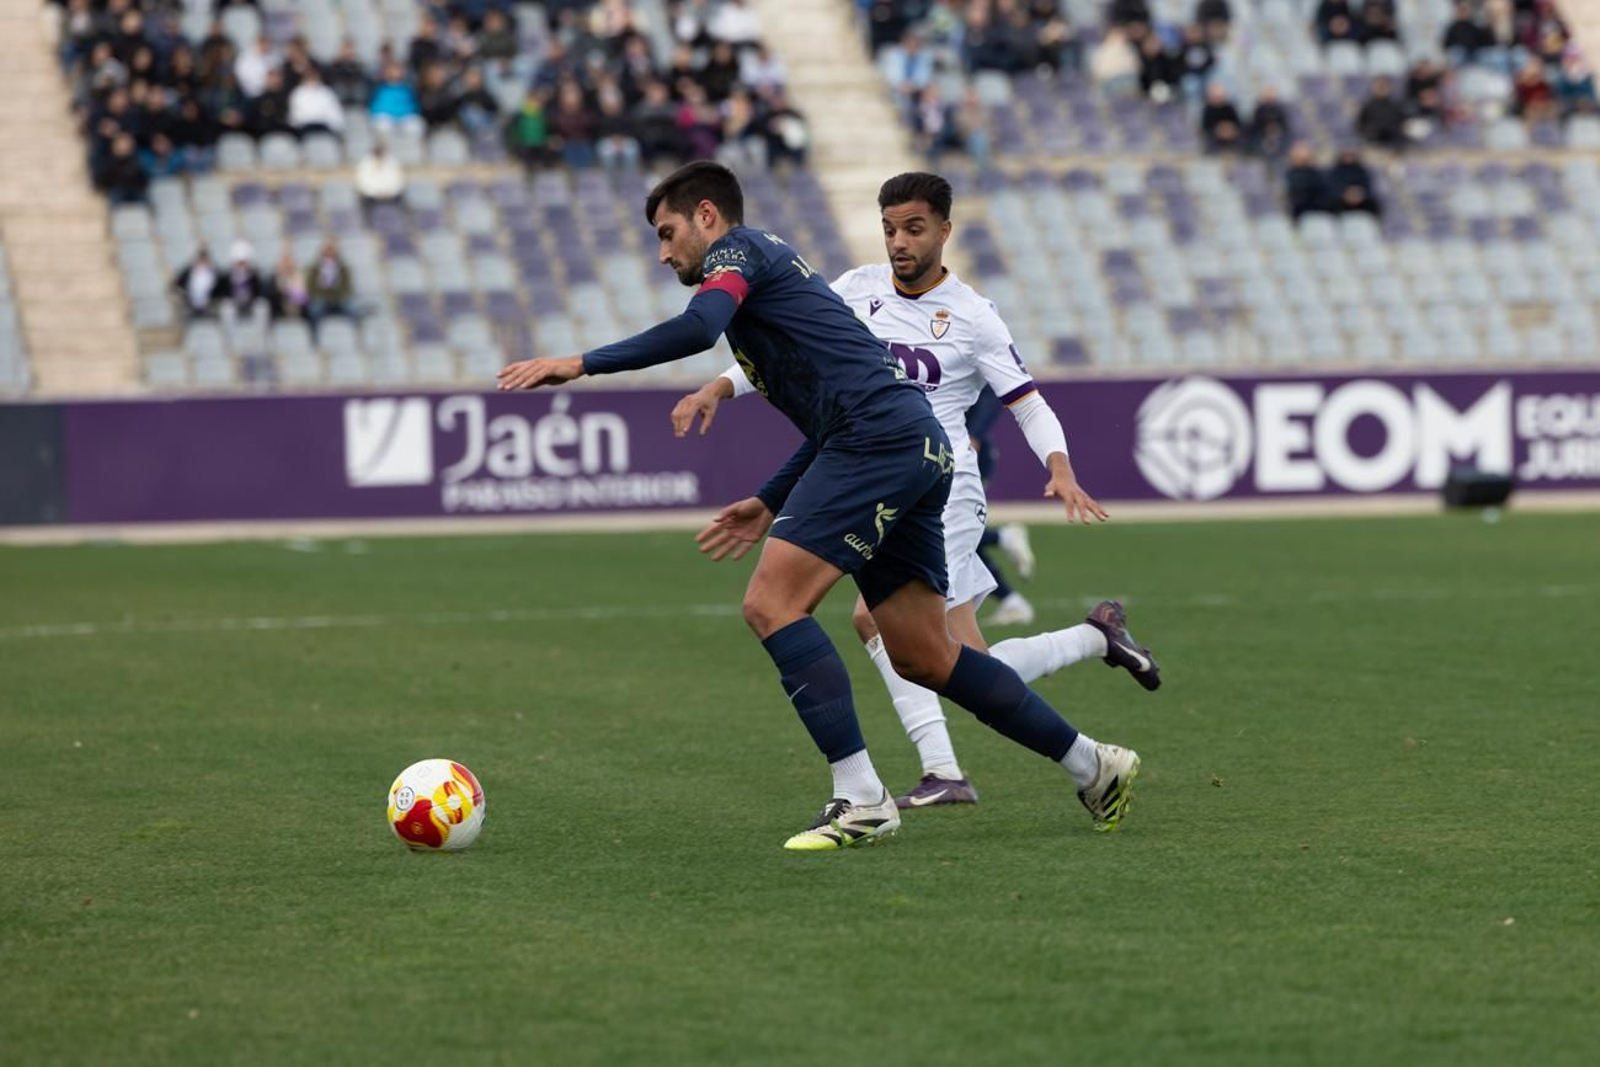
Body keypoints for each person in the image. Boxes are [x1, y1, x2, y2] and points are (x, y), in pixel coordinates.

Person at [496, 162, 1143, 850]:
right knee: (927, 656)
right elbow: (846, 398)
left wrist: (581, 362)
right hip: (913, 446)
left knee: (772, 604)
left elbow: (697, 327)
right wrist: (771, 500)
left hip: (882, 444)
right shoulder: (794, 292)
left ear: (708, 216)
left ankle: (862, 796)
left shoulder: (738, 253)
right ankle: (1093, 764)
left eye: (667, 233)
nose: (663, 253)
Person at [670, 170, 1161, 807]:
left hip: (942, 483)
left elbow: (1027, 402)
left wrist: (1059, 467)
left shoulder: (974, 315)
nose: (899, 242)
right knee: (955, 659)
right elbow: (788, 345)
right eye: (889, 229)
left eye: (914, 228)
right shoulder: (857, 288)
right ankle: (1096, 641)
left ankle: (943, 772)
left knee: (879, 623)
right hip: (876, 468)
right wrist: (718, 385)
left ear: (944, 231)